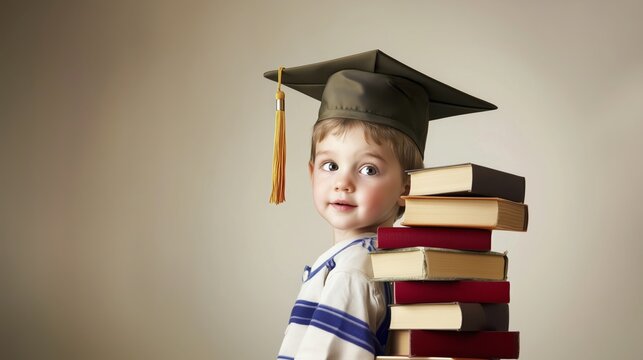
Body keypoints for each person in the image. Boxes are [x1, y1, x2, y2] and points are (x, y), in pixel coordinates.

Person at [264, 50, 496, 359]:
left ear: (407, 186)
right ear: (310, 173)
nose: (343, 182)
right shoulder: (395, 264)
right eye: (330, 165)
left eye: (368, 169)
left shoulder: (351, 272)